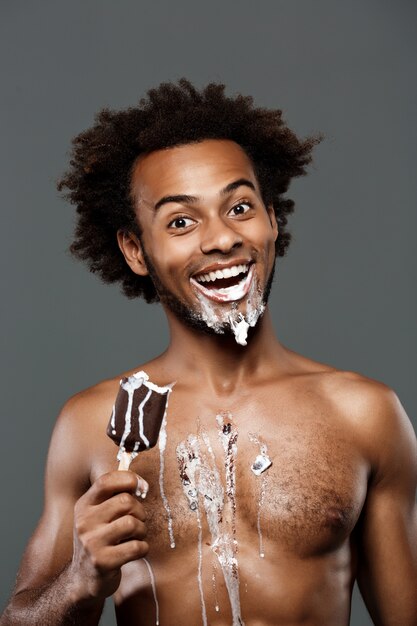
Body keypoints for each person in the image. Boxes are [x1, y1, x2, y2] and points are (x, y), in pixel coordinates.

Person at [1, 78, 416, 626]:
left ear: (273, 219)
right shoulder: (90, 424)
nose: (221, 239)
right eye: (180, 221)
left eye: (240, 207)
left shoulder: (364, 413)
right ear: (135, 249)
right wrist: (80, 582)